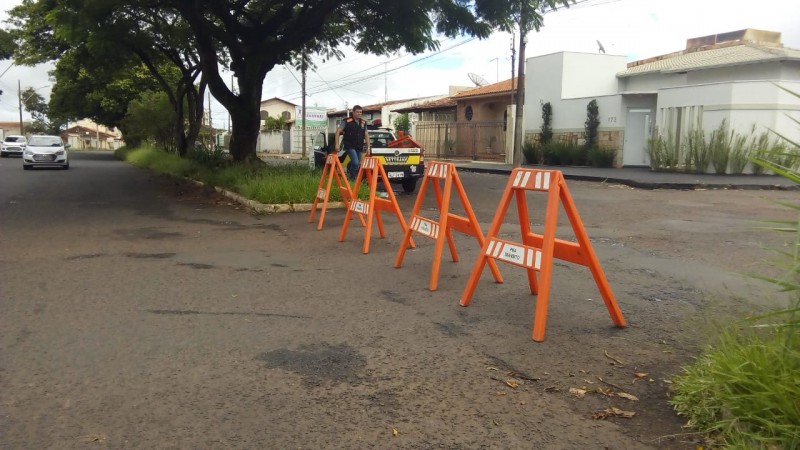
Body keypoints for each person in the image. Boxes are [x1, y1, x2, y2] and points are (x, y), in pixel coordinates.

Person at [334, 105, 371, 179]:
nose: (359, 114)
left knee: (357, 164)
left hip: (359, 146)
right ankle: (352, 178)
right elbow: (338, 132)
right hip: (349, 146)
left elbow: (366, 135)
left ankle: (351, 177)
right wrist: (337, 144)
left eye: (360, 112)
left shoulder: (363, 122)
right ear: (353, 112)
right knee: (355, 162)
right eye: (357, 112)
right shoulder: (346, 121)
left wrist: (368, 147)